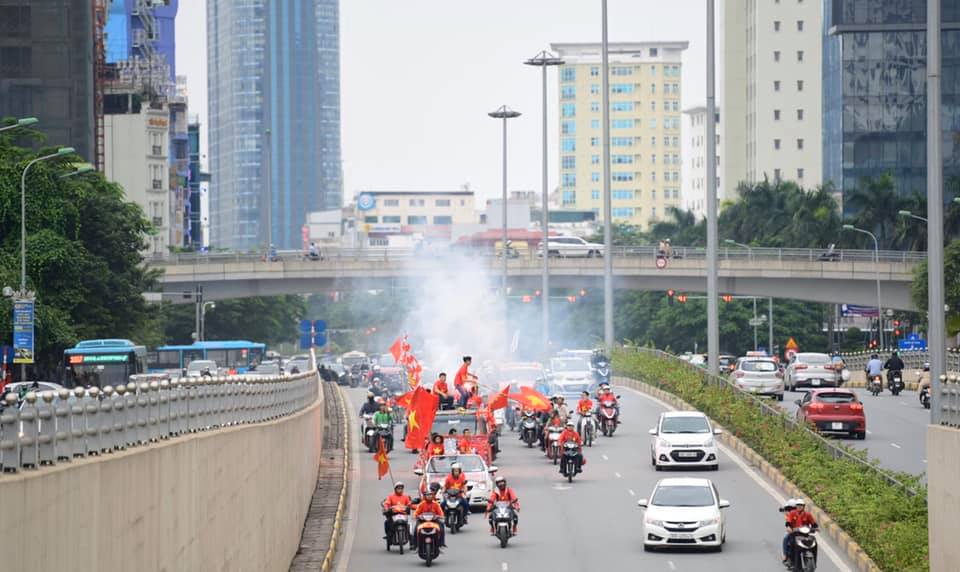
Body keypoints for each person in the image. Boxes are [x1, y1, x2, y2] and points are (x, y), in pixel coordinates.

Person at [782, 498, 817, 565]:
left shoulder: (807, 514)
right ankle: (788, 557)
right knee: (789, 541)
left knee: (814, 542)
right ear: (796, 506)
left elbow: (813, 523)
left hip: (805, 534)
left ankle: (813, 559)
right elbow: (788, 522)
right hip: (795, 533)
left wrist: (815, 528)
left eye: (801, 505)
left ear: (803, 506)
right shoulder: (792, 513)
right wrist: (789, 527)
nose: (799, 507)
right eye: (798, 505)